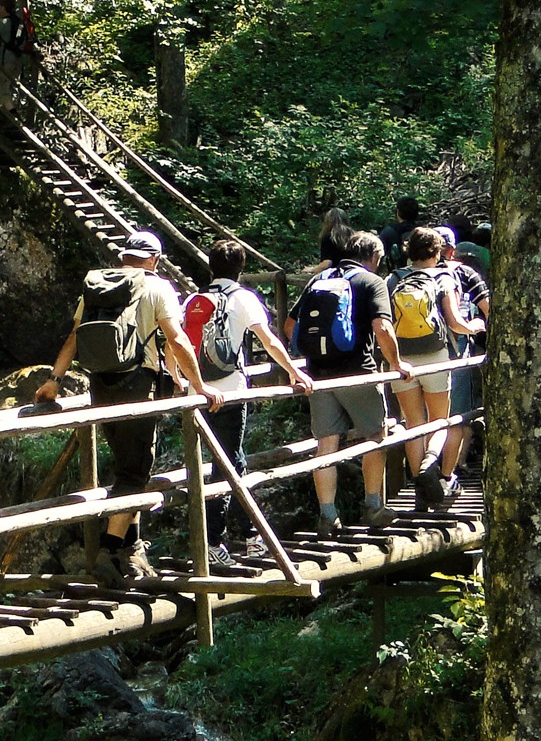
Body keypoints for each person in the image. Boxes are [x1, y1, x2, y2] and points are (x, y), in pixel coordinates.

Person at [34, 231, 224, 583]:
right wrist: (199, 386)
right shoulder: (157, 287)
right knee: (133, 474)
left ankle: (132, 551)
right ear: (153, 259)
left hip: (101, 384)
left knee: (129, 468)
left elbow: (75, 337)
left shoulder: (97, 288)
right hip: (138, 384)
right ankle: (108, 550)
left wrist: (55, 381)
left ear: (124, 257)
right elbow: (177, 339)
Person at [186, 239, 315, 562]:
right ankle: (221, 540)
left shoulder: (193, 298)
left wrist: (182, 381)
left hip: (196, 393)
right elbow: (268, 340)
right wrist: (293, 372)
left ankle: (240, 536)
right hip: (230, 390)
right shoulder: (243, 298)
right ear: (241, 269)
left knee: (220, 463)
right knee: (230, 464)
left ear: (210, 266)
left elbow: (179, 343)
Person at [283, 230, 412, 535]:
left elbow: (290, 326)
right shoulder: (371, 281)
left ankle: (328, 516)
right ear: (375, 256)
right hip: (358, 371)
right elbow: (382, 326)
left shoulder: (320, 279)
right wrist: (396, 364)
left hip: (318, 375)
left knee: (326, 445)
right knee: (375, 436)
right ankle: (373, 506)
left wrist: (313, 356)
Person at [386, 227, 485, 509]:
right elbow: (454, 321)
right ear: (438, 251)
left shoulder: (393, 279)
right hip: (437, 356)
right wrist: (474, 327)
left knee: (413, 423)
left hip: (402, 360)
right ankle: (434, 467)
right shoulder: (444, 276)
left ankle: (420, 487)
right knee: (441, 420)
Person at [436, 226, 490, 503]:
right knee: (460, 414)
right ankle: (452, 470)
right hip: (459, 351)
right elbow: (487, 308)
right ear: (453, 249)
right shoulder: (466, 274)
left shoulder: (409, 275)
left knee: (423, 418)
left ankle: (427, 471)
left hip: (415, 358)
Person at [378, 197, 420, 270]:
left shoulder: (389, 232)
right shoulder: (424, 232)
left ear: (398, 212)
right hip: (422, 274)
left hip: (397, 274)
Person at [314, 206, 354, 270]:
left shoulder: (328, 237)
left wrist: (312, 269)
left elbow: (327, 263)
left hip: (335, 274)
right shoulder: (354, 236)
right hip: (353, 272)